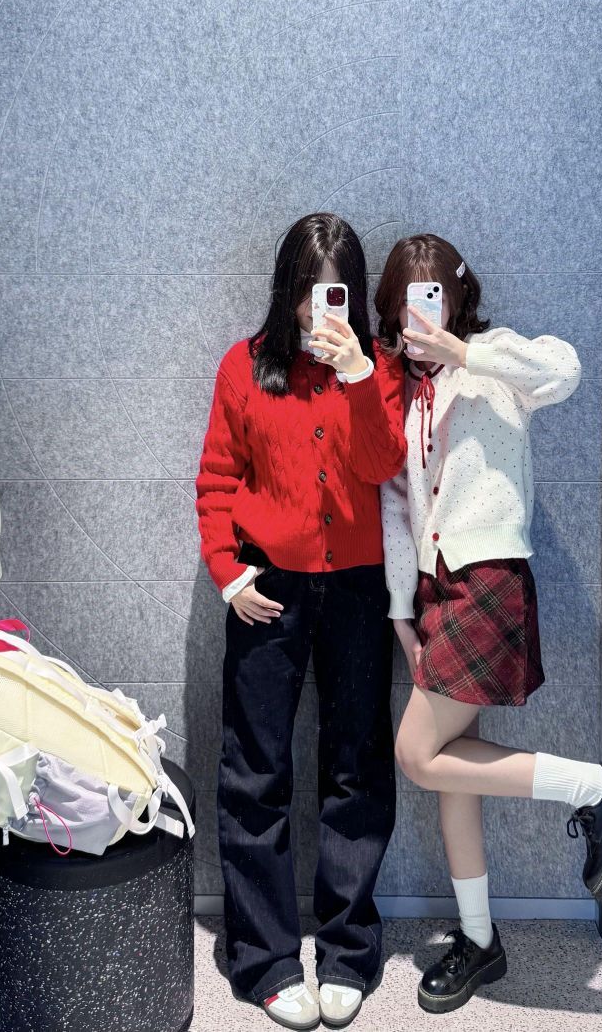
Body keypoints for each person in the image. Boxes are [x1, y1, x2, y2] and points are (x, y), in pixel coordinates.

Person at [375, 234, 602, 1015]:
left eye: (433, 294)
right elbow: (394, 506)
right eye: (406, 298)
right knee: (448, 769)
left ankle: (597, 787)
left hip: (488, 581)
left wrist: (464, 352)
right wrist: (400, 609)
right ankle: (478, 940)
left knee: (416, 753)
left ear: (457, 297)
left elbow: (564, 370)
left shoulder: (493, 362)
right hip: (434, 588)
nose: (419, 312)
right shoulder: (397, 390)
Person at [196, 212, 407, 1031]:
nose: (320, 310)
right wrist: (229, 573)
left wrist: (357, 375)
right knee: (256, 770)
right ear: (286, 290)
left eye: (336, 294)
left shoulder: (376, 369)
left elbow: (382, 464)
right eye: (308, 294)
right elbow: (217, 479)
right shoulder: (243, 367)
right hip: (267, 586)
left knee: (357, 765)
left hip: (355, 587)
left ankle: (349, 951)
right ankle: (264, 957)